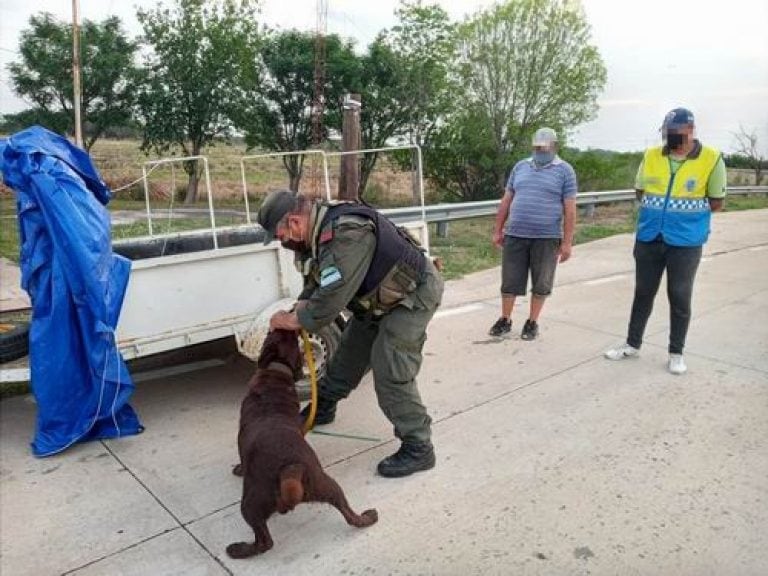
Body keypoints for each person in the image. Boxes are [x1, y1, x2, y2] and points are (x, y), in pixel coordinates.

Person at [257, 190, 444, 478]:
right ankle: (324, 406)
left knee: (391, 366)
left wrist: (292, 321)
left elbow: (329, 301)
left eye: (280, 235)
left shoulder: (345, 234)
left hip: (411, 296)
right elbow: (317, 281)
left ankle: (419, 446)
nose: (282, 242)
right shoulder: (317, 234)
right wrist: (299, 307)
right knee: (348, 355)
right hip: (376, 299)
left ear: (294, 222)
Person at [604, 107, 726, 374]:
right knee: (643, 293)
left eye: (675, 133)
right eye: (666, 133)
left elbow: (716, 202)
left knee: (680, 296)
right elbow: (640, 191)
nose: (669, 138)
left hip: (686, 241)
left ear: (690, 131)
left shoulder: (712, 158)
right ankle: (632, 344)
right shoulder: (651, 155)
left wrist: (681, 214)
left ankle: (676, 352)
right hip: (649, 236)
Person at [489, 127, 577, 340]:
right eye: (537, 147)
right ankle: (505, 319)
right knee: (509, 280)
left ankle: (532, 321)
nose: (541, 150)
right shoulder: (520, 167)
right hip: (516, 234)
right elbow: (507, 199)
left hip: (546, 238)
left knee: (541, 282)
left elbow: (570, 209)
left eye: (545, 147)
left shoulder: (565, 171)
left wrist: (567, 243)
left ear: (555, 146)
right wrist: (498, 229)